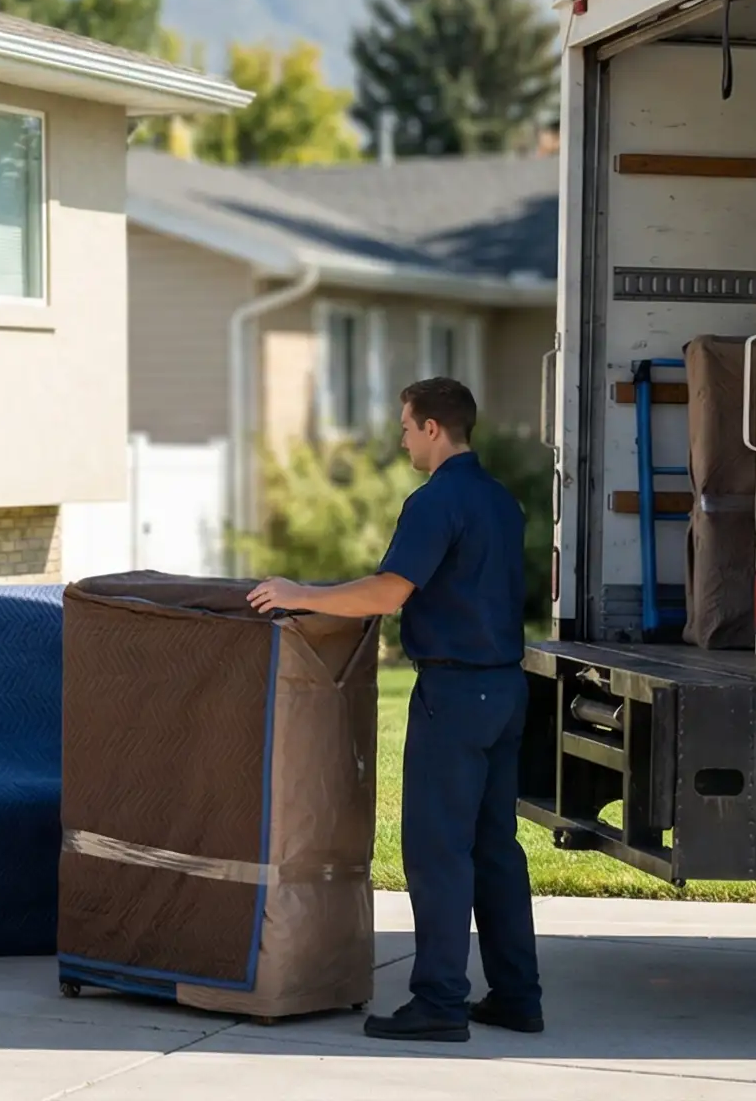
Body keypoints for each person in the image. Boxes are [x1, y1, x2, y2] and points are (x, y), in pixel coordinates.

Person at [249, 376, 542, 1042]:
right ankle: (518, 996)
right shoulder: (501, 501)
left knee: (438, 851)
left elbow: (387, 592)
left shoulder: (435, 502)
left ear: (433, 429)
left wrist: (304, 592)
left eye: (407, 427)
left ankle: (440, 1001)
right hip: (505, 689)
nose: (402, 437)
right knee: (496, 848)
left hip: (455, 695)